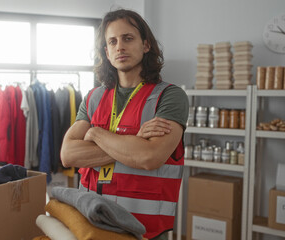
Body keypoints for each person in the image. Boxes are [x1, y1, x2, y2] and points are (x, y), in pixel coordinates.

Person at [60, 9, 189, 240]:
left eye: (128, 38)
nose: (120, 46)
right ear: (107, 53)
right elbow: (68, 154)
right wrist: (134, 144)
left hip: (143, 230)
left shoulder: (170, 96)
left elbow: (149, 157)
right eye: (112, 41)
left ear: (146, 45)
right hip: (92, 221)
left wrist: (96, 133)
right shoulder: (93, 98)